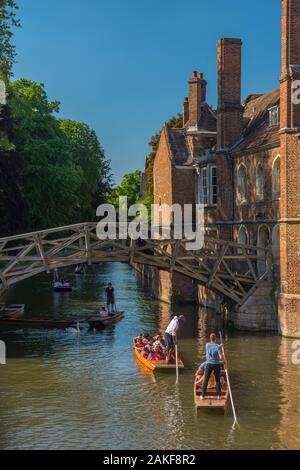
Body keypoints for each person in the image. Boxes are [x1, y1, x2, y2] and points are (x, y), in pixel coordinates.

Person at [201, 333, 225, 400]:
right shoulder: (218, 347)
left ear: (210, 338)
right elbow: (220, 357)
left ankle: (203, 396)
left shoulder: (207, 345)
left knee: (206, 380)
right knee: (217, 380)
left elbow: (212, 347)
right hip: (216, 365)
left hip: (209, 364)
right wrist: (220, 348)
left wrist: (219, 346)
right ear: (216, 339)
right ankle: (219, 396)